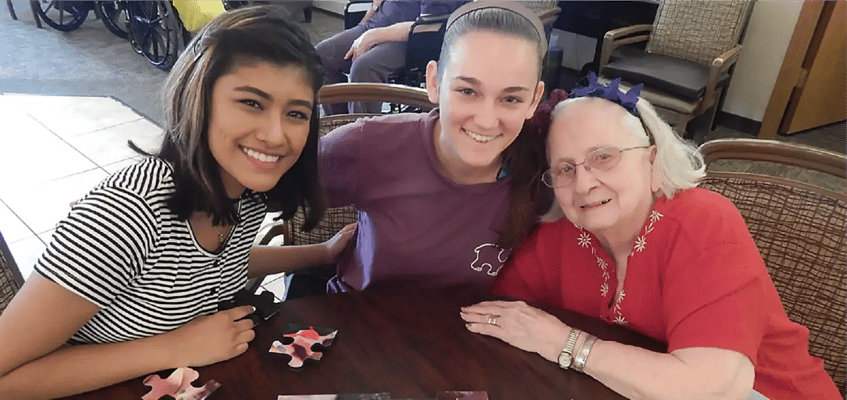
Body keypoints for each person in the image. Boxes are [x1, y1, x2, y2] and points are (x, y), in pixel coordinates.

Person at [0, 7, 355, 398]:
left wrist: (323, 251)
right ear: (196, 98)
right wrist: (173, 347)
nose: (275, 135)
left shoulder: (245, 193)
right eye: (252, 103)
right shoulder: (126, 213)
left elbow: (215, 264)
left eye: (295, 113)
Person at [459, 75, 842, 400]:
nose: (585, 183)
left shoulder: (703, 222)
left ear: (652, 159)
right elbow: (501, 316)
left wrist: (563, 342)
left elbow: (715, 388)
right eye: (565, 169)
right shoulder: (561, 234)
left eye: (604, 157)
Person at [318, 2, 551, 293]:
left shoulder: (544, 171)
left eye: (511, 99)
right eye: (467, 91)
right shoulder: (373, 146)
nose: (487, 121)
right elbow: (266, 186)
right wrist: (320, 252)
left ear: (534, 99)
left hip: (462, 334)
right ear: (434, 82)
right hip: (359, 325)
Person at [315, 0, 467, 114]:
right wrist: (368, 18)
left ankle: (361, 136)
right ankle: (340, 126)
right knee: (320, 56)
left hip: (411, 39)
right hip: (375, 25)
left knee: (364, 67)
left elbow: (429, 25)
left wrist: (373, 36)